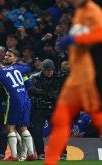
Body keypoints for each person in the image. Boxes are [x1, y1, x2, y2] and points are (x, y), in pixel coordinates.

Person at [45, 1, 102, 165]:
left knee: (98, 120)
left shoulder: (93, 11)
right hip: (74, 77)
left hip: (87, 77)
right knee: (60, 119)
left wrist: (75, 38)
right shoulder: (79, 11)